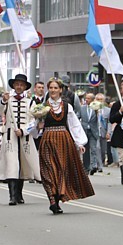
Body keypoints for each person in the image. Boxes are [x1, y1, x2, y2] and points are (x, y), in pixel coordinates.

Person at [33, 77, 94, 214]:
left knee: (61, 170)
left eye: (56, 88)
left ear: (61, 90)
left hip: (63, 140)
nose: (53, 90)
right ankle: (52, 199)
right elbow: (34, 126)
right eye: (51, 88)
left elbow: (74, 125)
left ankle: (57, 198)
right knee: (48, 170)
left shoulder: (67, 106)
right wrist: (38, 126)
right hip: (48, 140)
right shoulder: (42, 107)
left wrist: (79, 143)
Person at [0, 74, 42, 205]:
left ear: (25, 87)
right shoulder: (7, 100)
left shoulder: (30, 102)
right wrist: (2, 101)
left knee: (23, 164)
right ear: (13, 86)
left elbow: (34, 120)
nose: (19, 86)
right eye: (17, 84)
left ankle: (19, 194)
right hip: (10, 136)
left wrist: (24, 130)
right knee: (12, 163)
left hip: (25, 137)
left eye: (22, 84)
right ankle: (12, 196)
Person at [80, 92, 102, 174]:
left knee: (93, 149)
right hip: (84, 131)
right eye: (86, 98)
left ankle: (93, 166)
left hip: (93, 131)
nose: (86, 100)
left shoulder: (96, 108)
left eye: (88, 98)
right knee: (85, 150)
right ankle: (86, 167)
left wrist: (97, 112)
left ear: (92, 100)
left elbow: (100, 119)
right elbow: (78, 116)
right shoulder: (82, 108)